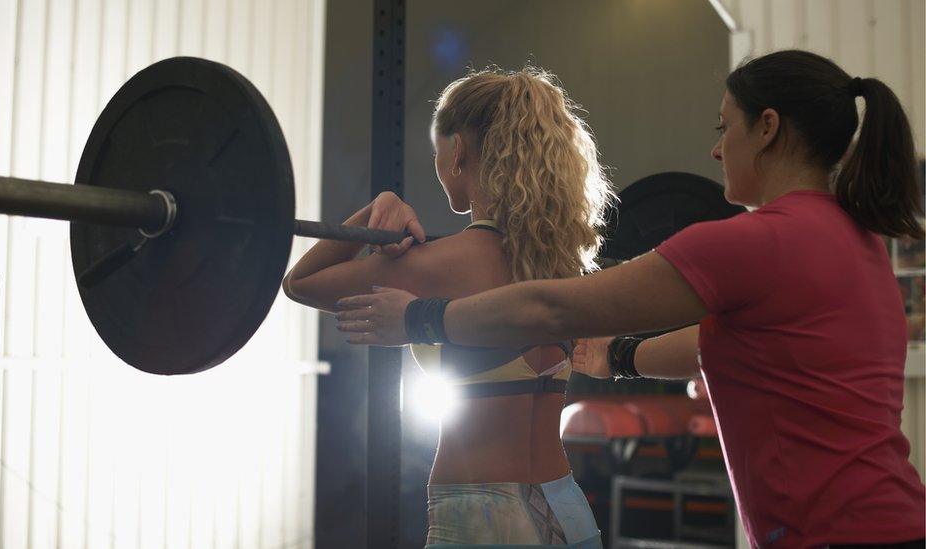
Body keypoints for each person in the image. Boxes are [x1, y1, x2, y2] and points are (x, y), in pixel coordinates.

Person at [335, 50, 926, 548]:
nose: (718, 150)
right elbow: (720, 345)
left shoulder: (756, 241)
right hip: (894, 517)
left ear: (767, 128)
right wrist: (617, 358)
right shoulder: (858, 239)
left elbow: (556, 308)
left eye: (725, 128)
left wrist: (420, 317)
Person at [283, 67, 614, 547]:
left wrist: (376, 208)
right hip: (568, 506)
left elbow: (301, 282)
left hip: (483, 514)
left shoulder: (440, 265)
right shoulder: (564, 268)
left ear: (457, 150)